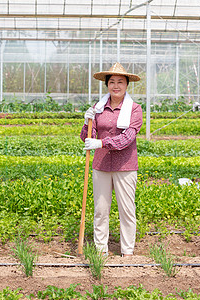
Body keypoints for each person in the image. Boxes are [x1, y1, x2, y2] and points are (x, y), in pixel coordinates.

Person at [80, 62, 143, 257]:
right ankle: (100, 250)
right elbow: (87, 137)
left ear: (126, 85)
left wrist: (101, 143)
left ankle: (127, 251)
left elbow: (127, 138)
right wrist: (86, 123)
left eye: (120, 82)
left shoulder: (134, 109)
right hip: (101, 165)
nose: (116, 86)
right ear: (107, 84)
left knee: (126, 209)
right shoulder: (98, 108)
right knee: (100, 209)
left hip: (125, 165)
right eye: (112, 82)